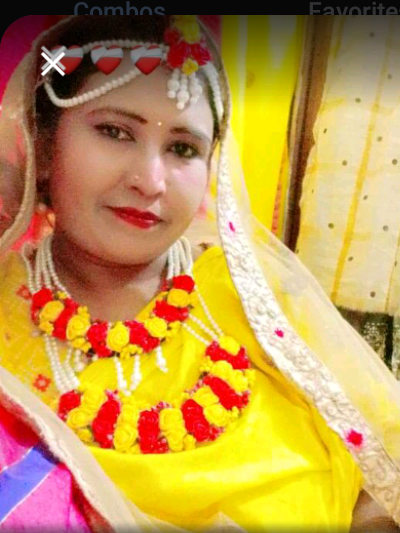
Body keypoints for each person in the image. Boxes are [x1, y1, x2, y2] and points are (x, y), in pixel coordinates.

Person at [0, 14, 400, 532]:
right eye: (115, 132)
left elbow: (379, 477)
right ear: (43, 143)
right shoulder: (6, 314)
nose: (151, 181)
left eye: (183, 149)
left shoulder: (258, 300)